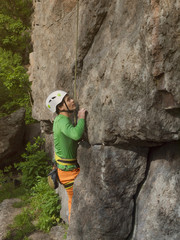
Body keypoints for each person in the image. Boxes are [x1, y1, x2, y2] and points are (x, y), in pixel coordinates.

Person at [46, 90, 86, 222]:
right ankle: (74, 228)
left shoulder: (59, 120)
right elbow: (75, 135)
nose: (72, 100)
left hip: (64, 169)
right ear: (60, 107)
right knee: (75, 202)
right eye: (68, 100)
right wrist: (81, 118)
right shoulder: (62, 121)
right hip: (68, 171)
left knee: (74, 201)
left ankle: (73, 227)